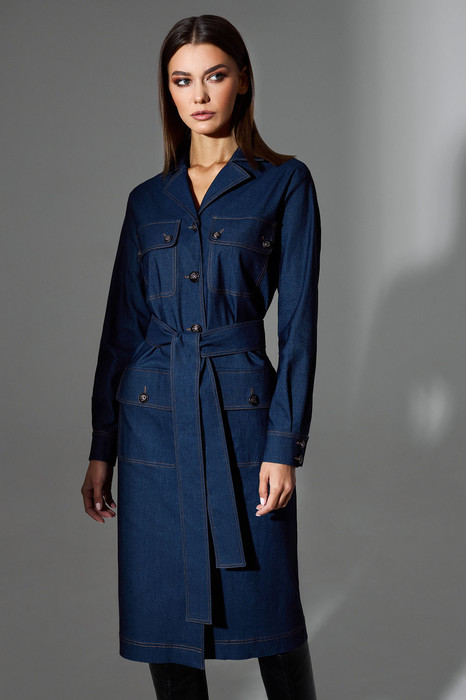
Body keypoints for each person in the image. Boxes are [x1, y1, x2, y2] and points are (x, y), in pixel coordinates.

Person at [81, 14, 321, 700]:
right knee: (166, 628)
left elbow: (299, 326)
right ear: (168, 91)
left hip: (243, 419)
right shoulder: (147, 201)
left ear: (243, 80)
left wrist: (283, 445)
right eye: (182, 80)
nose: (200, 94)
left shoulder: (285, 183)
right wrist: (102, 446)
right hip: (152, 421)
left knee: (272, 618)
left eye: (214, 75)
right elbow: (122, 328)